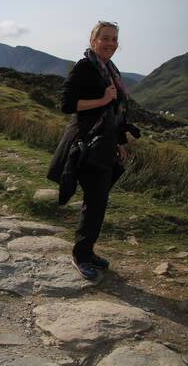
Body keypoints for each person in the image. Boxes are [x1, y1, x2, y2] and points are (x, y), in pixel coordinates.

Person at [47, 21, 134, 281]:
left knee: (98, 201)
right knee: (96, 200)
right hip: (85, 144)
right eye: (105, 38)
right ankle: (81, 255)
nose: (110, 43)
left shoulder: (110, 70)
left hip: (105, 143)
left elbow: (113, 112)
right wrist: (102, 99)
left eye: (114, 39)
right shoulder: (86, 67)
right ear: (93, 39)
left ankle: (86, 250)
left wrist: (121, 141)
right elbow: (66, 104)